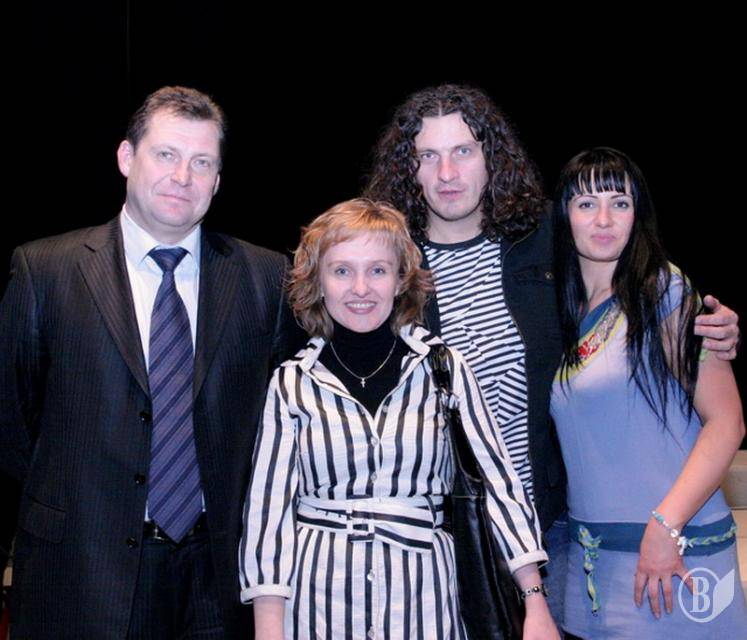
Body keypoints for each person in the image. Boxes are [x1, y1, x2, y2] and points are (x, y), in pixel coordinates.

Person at [363, 83, 741, 624]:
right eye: (428, 156)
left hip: (554, 529)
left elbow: (633, 282)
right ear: (409, 168)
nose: (447, 173)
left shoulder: (546, 236)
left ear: (491, 157)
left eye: (464, 150)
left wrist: (709, 332)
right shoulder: (387, 266)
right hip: (444, 535)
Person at [0, 86, 299, 639]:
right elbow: (14, 427)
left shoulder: (266, 277)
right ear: (126, 157)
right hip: (82, 572)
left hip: (220, 579)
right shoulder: (45, 270)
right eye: (166, 154)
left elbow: (279, 428)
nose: (182, 176)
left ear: (218, 179)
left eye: (201, 162)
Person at [239, 198, 560, 639]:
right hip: (318, 612)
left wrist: (534, 602)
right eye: (341, 271)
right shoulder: (291, 382)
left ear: (401, 279)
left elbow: (498, 487)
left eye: (377, 270)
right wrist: (268, 628)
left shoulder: (444, 369)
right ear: (317, 281)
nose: (361, 288)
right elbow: (268, 515)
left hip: (427, 608)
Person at [550, 147, 747, 638]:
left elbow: (727, 422)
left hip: (674, 562)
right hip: (592, 567)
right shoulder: (560, 312)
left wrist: (666, 525)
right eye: (586, 203)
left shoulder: (664, 291)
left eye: (619, 203)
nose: (603, 219)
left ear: (637, 214)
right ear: (564, 215)